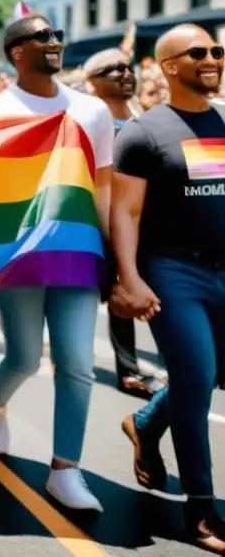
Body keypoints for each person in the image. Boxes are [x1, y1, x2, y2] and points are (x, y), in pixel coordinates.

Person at [0, 14, 111, 511]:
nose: (55, 42)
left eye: (58, 35)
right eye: (43, 37)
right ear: (17, 52)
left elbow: (104, 186)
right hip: (20, 256)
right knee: (25, 358)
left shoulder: (93, 111)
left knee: (77, 362)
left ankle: (66, 471)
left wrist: (113, 257)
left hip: (78, 252)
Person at [112, 25, 225, 552]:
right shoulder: (143, 132)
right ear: (169, 66)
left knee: (209, 377)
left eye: (217, 51)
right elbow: (126, 212)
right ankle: (201, 512)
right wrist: (130, 277)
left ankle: (145, 421)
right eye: (198, 52)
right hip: (173, 273)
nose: (212, 58)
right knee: (196, 378)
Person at [82, 49, 164, 399]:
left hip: (141, 222)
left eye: (126, 67)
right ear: (92, 84)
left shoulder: (143, 117)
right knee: (110, 293)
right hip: (99, 222)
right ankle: (126, 370)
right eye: (111, 70)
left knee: (145, 288)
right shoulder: (86, 121)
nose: (124, 73)